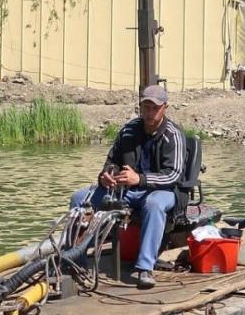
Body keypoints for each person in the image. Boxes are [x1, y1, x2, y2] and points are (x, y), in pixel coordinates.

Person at [70, 85, 186, 289]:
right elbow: (111, 161)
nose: (149, 113)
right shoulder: (128, 130)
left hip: (163, 191)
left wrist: (139, 179)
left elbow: (173, 175)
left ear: (165, 108)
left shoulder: (173, 135)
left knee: (153, 204)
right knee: (80, 198)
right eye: (145, 107)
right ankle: (75, 259)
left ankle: (145, 268)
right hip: (125, 189)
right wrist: (106, 176)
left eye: (154, 108)